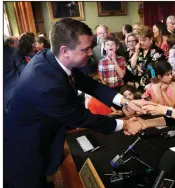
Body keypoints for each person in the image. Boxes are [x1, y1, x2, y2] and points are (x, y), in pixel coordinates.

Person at [3, 18, 151, 188]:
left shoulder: (51, 56)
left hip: (42, 134)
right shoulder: (45, 84)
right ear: (65, 50)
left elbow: (88, 83)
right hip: (23, 150)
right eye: (86, 49)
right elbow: (81, 118)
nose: (91, 52)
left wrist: (124, 101)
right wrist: (124, 125)